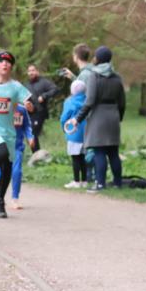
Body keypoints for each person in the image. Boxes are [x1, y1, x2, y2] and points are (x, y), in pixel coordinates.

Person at [0, 50, 34, 218]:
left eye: (8, 62)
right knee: (1, 154)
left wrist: (29, 106)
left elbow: (28, 101)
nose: (5, 64)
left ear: (11, 66)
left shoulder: (16, 86)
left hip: (9, 131)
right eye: (2, 61)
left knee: (8, 167)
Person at [71, 45, 125, 191]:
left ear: (98, 58)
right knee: (113, 152)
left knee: (99, 151)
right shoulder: (117, 77)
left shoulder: (94, 76)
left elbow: (89, 101)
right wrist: (118, 117)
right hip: (113, 116)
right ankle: (117, 183)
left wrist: (78, 119)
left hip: (98, 116)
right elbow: (122, 101)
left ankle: (100, 183)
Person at [60, 80, 88, 188]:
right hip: (86, 133)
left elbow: (64, 118)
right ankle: (85, 181)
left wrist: (64, 128)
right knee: (83, 157)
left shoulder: (69, 102)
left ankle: (76, 181)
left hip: (73, 133)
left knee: (75, 158)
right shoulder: (87, 101)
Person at [25, 63, 59, 152]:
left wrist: (44, 96)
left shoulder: (44, 82)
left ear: (37, 71)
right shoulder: (26, 85)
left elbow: (55, 89)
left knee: (33, 132)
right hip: (29, 113)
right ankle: (36, 154)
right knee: (30, 134)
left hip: (40, 112)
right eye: (29, 71)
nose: (31, 73)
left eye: (33, 70)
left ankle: (37, 155)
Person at [7, 103, 34, 209]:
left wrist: (30, 137)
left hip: (17, 146)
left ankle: (15, 199)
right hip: (2, 145)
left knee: (17, 171)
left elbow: (27, 125)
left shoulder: (22, 109)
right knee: (1, 173)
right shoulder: (0, 107)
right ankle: (0, 196)